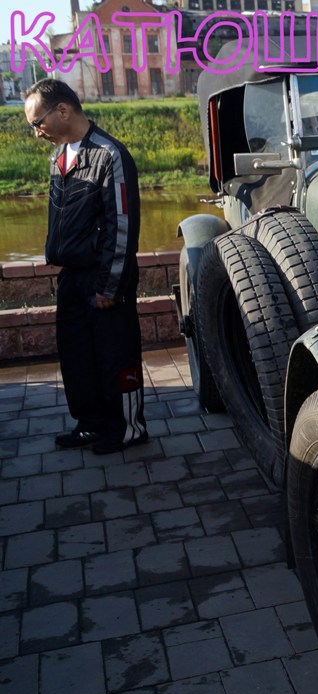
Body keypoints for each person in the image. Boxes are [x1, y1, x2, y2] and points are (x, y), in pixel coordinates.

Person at [24, 79, 147, 454]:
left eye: (37, 122)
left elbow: (122, 225)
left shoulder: (110, 155)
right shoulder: (58, 157)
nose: (36, 132)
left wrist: (110, 286)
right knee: (77, 357)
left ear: (63, 110)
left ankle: (128, 429)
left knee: (115, 356)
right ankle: (91, 424)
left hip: (103, 280)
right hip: (73, 279)